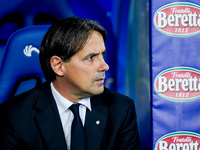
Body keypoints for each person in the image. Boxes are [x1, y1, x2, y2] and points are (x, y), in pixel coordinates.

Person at [0, 17, 141, 150]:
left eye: (102, 55)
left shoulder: (121, 109)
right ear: (59, 66)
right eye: (91, 58)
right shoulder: (14, 116)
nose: (104, 66)